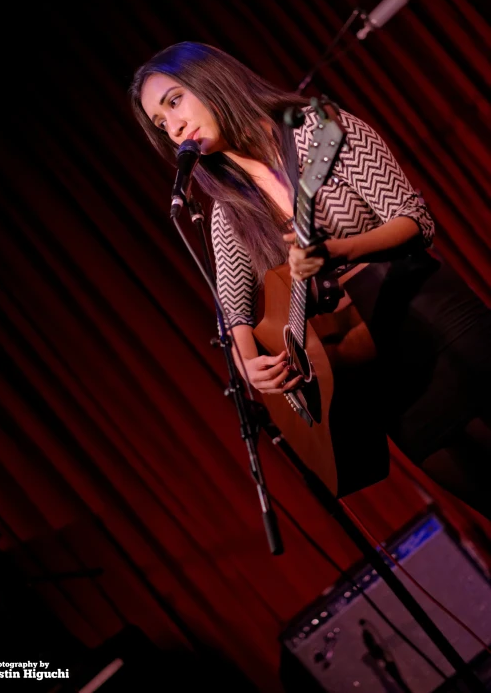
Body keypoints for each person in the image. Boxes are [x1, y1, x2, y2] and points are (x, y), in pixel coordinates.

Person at [130, 41, 491, 519]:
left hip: (440, 327)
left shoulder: (321, 132)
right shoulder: (227, 215)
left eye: (174, 101)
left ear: (210, 78)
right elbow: (233, 310)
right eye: (160, 123)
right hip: (380, 385)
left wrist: (339, 251)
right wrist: (247, 362)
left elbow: (414, 221)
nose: (174, 127)